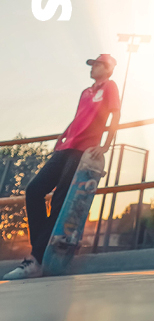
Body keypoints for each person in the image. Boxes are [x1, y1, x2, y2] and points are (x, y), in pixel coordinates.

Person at [4, 54, 120, 280]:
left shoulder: (110, 87)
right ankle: (40, 251)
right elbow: (77, 117)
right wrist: (62, 138)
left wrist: (105, 146)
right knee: (34, 190)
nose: (92, 68)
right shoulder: (86, 92)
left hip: (84, 150)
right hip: (66, 148)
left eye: (96, 64)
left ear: (106, 68)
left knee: (60, 199)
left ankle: (35, 260)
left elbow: (115, 114)